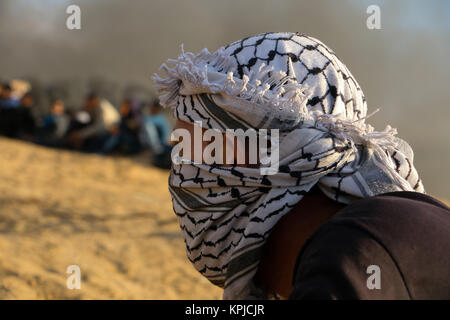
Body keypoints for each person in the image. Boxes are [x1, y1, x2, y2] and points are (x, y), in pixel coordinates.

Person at [154, 32, 450, 299]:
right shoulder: (385, 231)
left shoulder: (353, 262)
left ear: (272, 156)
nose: (180, 167)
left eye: (191, 147)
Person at [142, 99, 172, 168]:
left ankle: (160, 154)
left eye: (153, 106)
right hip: (153, 146)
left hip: (162, 145)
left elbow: (166, 134)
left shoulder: (161, 118)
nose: (152, 108)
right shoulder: (148, 118)